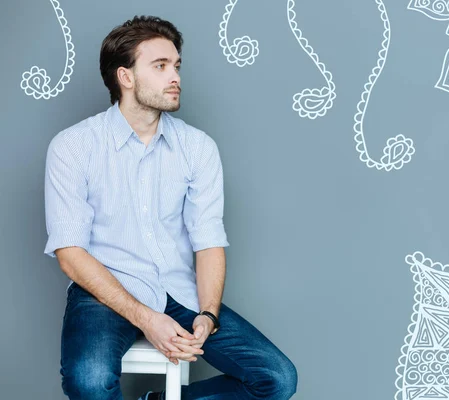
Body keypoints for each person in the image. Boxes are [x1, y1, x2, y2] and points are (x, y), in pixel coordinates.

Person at [43, 15, 297, 400]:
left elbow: (208, 240)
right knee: (89, 382)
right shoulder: (73, 146)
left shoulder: (198, 148)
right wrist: (147, 319)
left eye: (176, 66)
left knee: (276, 379)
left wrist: (208, 314)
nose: (174, 76)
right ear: (125, 77)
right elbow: (70, 254)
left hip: (180, 294)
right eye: (160, 66)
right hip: (103, 293)